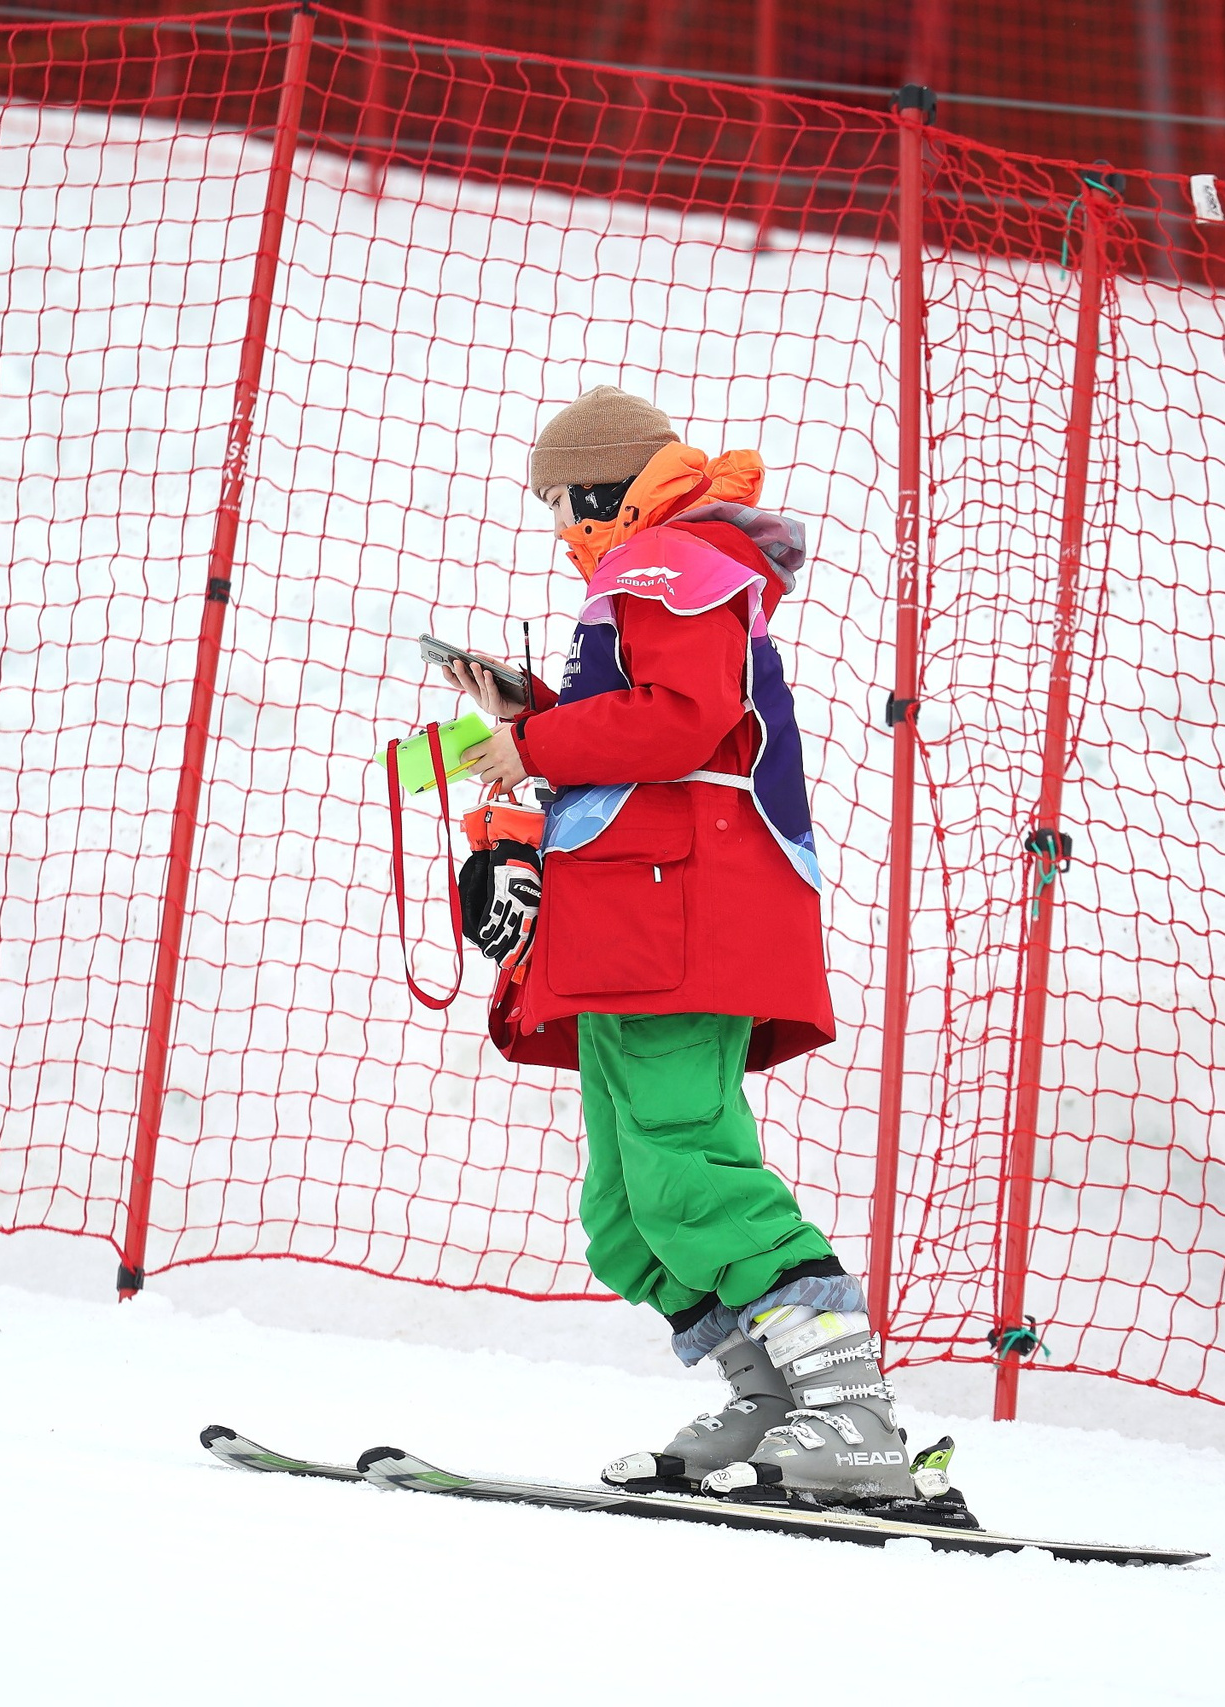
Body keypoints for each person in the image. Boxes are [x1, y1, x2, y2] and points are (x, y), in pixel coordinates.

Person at [434, 385, 913, 1506]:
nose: (560, 528)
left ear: (608, 488)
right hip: (633, 918)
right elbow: (658, 712)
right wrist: (534, 712)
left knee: (687, 1169)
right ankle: (776, 1399)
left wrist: (533, 743)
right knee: (629, 1205)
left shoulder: (670, 563)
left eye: (564, 503)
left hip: (680, 914)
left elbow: (683, 720)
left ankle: (852, 1416)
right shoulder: (661, 571)